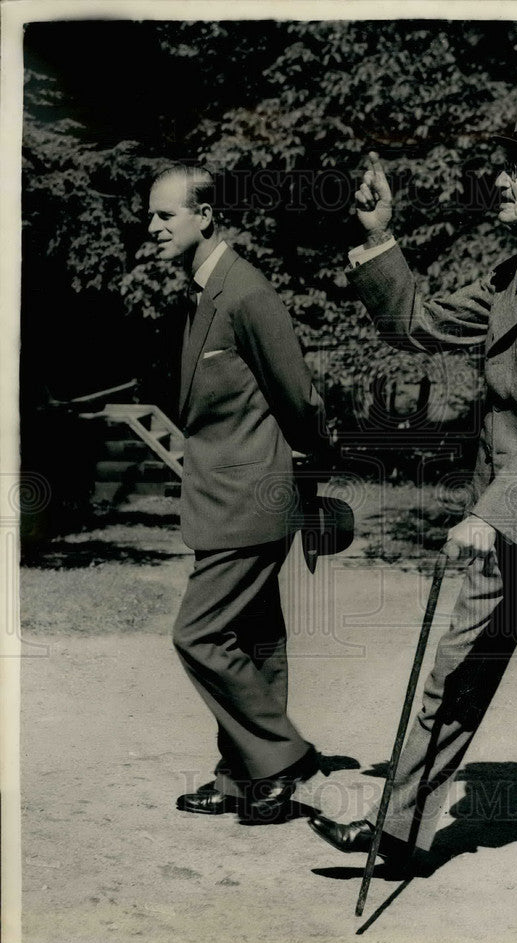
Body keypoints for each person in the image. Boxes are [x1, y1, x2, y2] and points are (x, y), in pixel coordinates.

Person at [309, 107, 517, 905]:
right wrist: (378, 237)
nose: (498, 178)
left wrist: (491, 513)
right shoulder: (510, 273)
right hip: (505, 526)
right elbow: (415, 322)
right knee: (454, 676)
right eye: (504, 163)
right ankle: (400, 828)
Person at [147, 164, 328, 822]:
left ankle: (283, 756)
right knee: (254, 641)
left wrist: (314, 459)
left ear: (207, 217)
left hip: (250, 498)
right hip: (224, 497)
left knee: (197, 634)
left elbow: (298, 394)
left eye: (167, 215)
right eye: (152, 215)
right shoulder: (201, 290)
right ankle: (244, 780)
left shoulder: (245, 292)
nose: (154, 226)